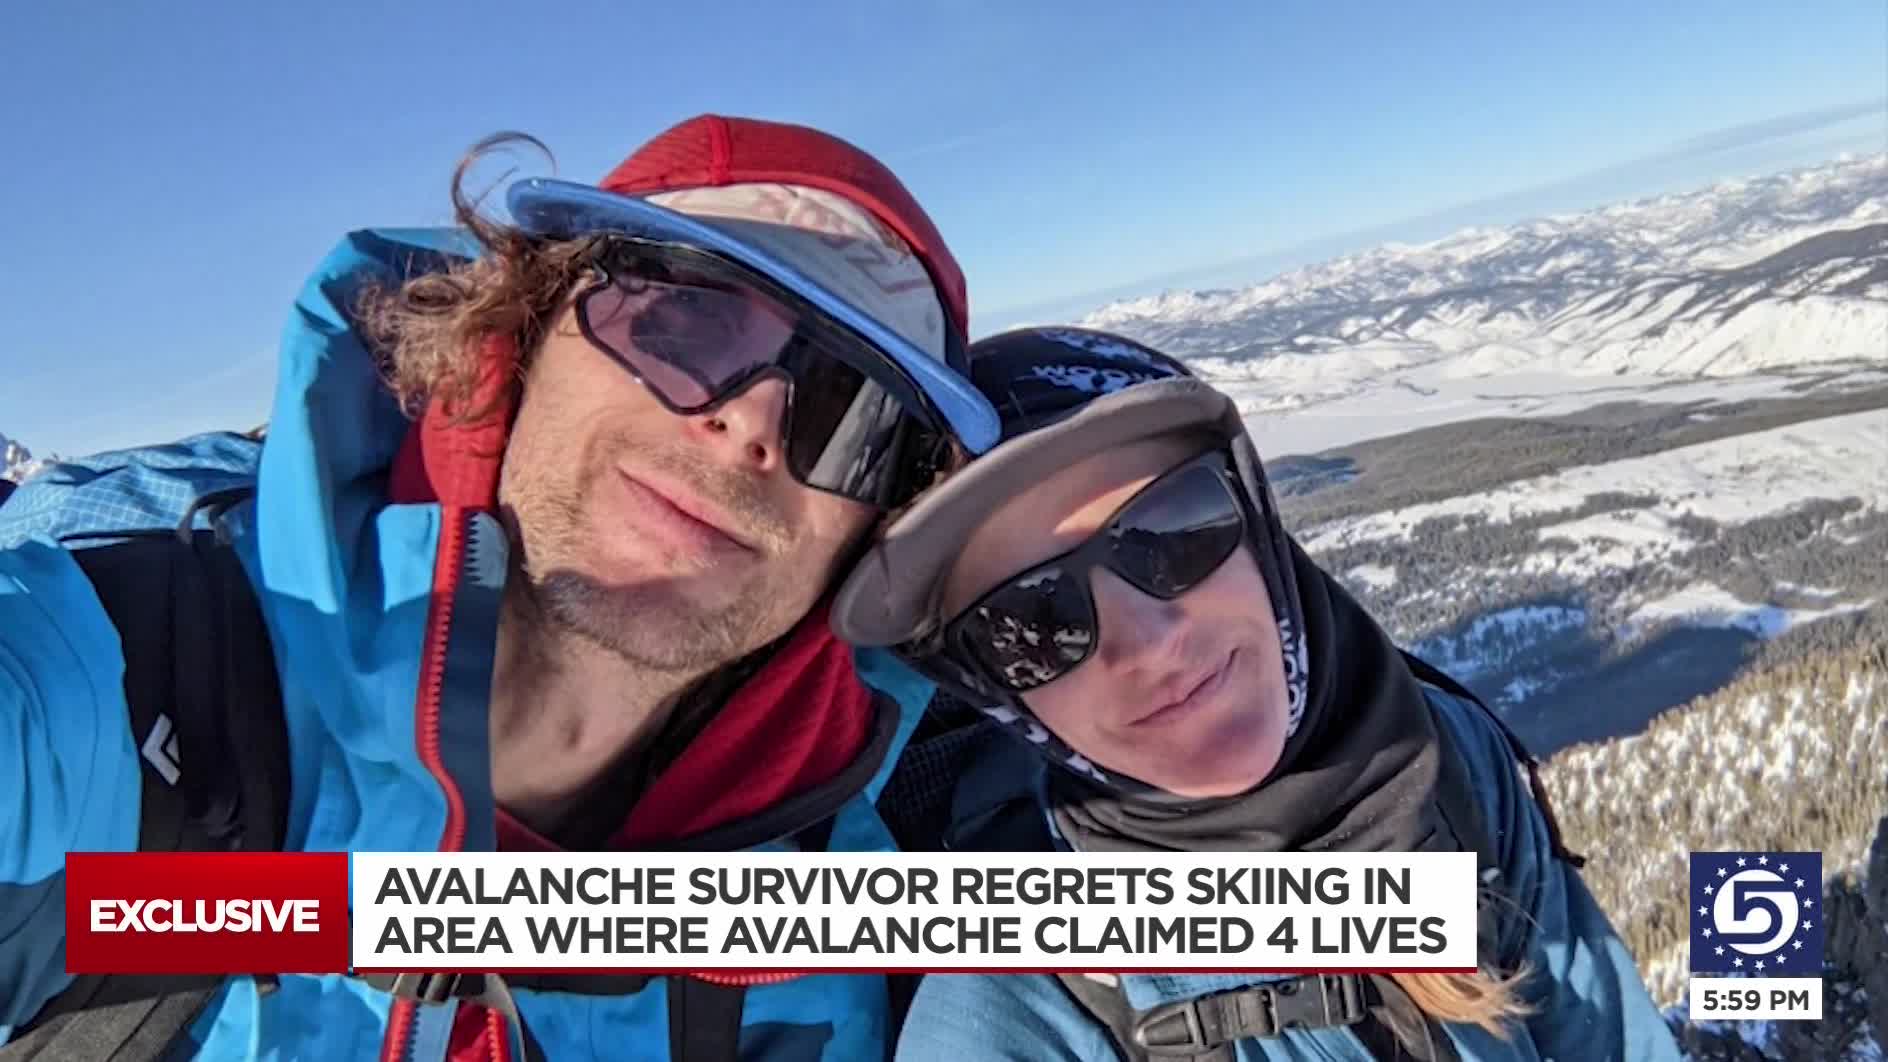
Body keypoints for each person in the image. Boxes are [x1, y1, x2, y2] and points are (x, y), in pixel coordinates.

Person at [0, 114, 999, 1061]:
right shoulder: (118, 686)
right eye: (685, 320)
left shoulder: (825, 915)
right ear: (525, 325)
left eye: (856, 420)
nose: (754, 427)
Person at [836, 327, 1683, 1061]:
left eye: (1171, 532)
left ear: (1254, 518)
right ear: (996, 693)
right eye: (1031, 622)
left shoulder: (1443, 750)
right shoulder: (1017, 1007)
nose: (1151, 644)